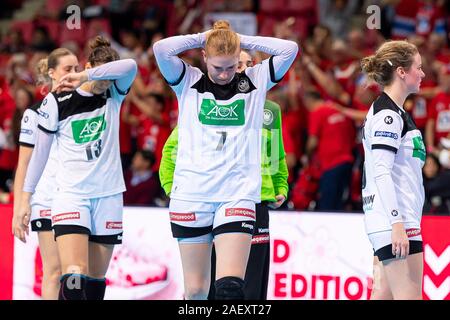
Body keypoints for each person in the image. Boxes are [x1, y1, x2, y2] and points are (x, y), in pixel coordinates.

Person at [153, 20, 298, 300]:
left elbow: (289, 49)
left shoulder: (255, 82)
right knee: (196, 291)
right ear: (204, 57)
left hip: (237, 195)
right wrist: (205, 37)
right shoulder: (188, 81)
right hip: (193, 195)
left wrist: (239, 39)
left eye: (231, 66)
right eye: (218, 67)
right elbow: (162, 49)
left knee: (230, 288)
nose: (224, 74)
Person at [17, 36, 137, 300]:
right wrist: (26, 197)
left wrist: (86, 75)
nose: (104, 82)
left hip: (108, 196)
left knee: (95, 283)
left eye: (107, 76)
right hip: (71, 196)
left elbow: (129, 66)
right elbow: (39, 156)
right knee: (73, 275)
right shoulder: (57, 102)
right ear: (89, 63)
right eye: (100, 75)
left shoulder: (114, 93)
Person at [360, 40, 426, 299]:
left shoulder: (395, 112)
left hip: (392, 221)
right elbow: (382, 172)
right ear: (401, 71)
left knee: (383, 295)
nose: (422, 73)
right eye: (418, 68)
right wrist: (397, 224)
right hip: (396, 223)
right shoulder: (387, 115)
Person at [12, 48, 79, 300]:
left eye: (77, 69)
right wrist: (21, 206)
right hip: (47, 199)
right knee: (55, 271)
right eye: (67, 69)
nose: (73, 74)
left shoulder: (88, 105)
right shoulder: (34, 113)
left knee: (78, 273)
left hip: (78, 197)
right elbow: (24, 164)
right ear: (51, 73)